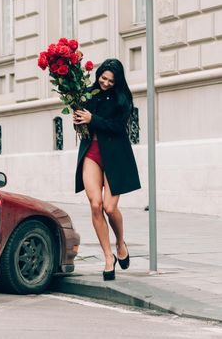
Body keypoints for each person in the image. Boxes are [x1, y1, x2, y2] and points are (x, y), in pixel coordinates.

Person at [73, 58, 141, 281]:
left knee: (110, 208)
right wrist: (78, 120)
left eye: (111, 80)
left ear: (117, 80)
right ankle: (108, 257)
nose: (106, 83)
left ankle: (121, 243)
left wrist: (93, 119)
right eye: (103, 78)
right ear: (98, 74)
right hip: (91, 152)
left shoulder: (123, 98)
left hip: (115, 155)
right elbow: (82, 122)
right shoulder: (87, 93)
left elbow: (118, 127)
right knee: (96, 205)